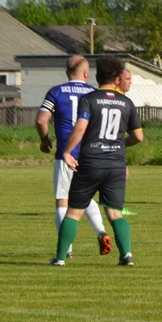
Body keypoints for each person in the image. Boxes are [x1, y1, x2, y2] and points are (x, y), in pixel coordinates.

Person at [50, 57, 144, 267]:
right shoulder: (126, 103)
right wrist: (120, 143)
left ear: (97, 76)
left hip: (91, 161)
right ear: (117, 78)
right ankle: (127, 256)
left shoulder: (90, 99)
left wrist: (66, 151)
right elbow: (138, 137)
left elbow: (81, 128)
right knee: (114, 212)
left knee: (74, 211)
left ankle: (60, 258)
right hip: (116, 164)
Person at [35, 55, 112, 258]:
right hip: (92, 154)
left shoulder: (56, 91)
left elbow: (42, 119)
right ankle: (101, 232)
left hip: (66, 154)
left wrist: (44, 140)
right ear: (86, 74)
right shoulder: (95, 94)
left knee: (63, 201)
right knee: (85, 197)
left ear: (67, 72)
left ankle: (66, 249)